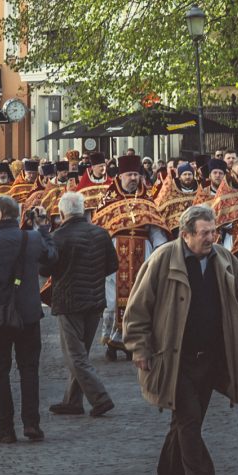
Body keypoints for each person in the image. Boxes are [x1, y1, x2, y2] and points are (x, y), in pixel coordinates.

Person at [123, 203, 238, 475]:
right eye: (204, 233)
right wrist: (139, 348)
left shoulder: (224, 259)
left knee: (187, 421)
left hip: (211, 356)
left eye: (213, 232)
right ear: (185, 235)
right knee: (188, 420)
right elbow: (138, 308)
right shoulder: (162, 260)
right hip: (174, 357)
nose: (210, 238)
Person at [0, 193, 57, 442]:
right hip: (28, 314)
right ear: (16, 215)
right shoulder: (31, 237)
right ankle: (32, 425)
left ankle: (5, 428)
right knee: (29, 371)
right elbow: (51, 257)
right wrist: (43, 228)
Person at [48, 191, 119, 418]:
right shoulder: (101, 233)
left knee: (74, 354)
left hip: (69, 301)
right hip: (95, 300)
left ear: (61, 213)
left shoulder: (58, 236)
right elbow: (112, 264)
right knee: (81, 353)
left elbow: (45, 269)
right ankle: (72, 401)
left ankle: (100, 397)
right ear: (83, 210)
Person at [92, 154, 168, 360]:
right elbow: (99, 229)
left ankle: (135, 341)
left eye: (136, 174)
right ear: (120, 176)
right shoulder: (108, 200)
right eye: (129, 175)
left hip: (143, 255)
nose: (133, 178)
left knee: (141, 299)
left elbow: (156, 229)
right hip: (115, 256)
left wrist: (162, 251)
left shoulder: (146, 200)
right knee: (113, 300)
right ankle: (112, 342)